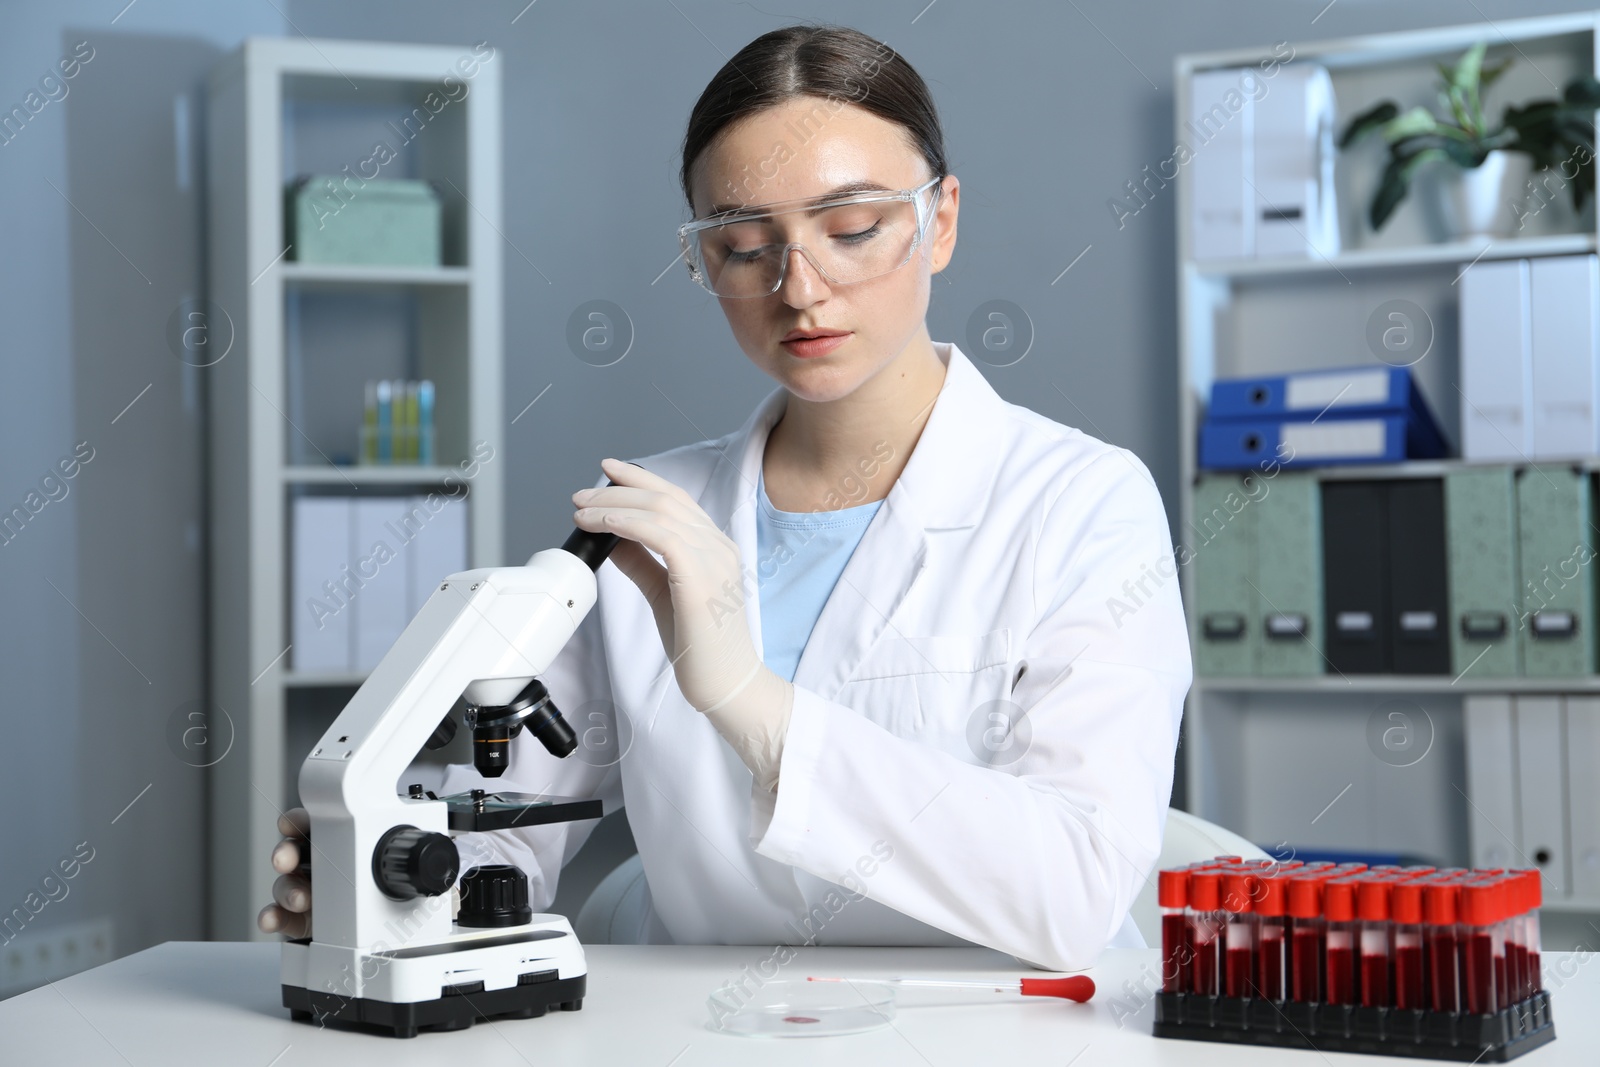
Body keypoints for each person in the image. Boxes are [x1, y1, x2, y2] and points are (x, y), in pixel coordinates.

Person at [259, 23, 1191, 972]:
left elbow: (1078, 887)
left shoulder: (1082, 503)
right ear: (703, 261)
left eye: (854, 229)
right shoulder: (649, 520)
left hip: (1005, 1035)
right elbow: (510, 832)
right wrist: (381, 880)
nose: (801, 287)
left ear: (940, 220)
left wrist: (750, 700)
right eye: (745, 246)